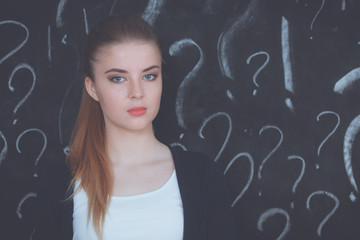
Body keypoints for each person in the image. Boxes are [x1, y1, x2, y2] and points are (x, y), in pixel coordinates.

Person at [33, 13, 237, 240]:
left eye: (149, 76)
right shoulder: (59, 183)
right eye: (118, 79)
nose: (137, 92)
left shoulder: (203, 176)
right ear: (92, 88)